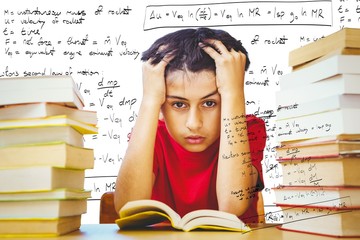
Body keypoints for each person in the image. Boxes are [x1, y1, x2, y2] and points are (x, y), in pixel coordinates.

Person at [114, 27, 266, 223]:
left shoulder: (248, 130)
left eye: (209, 103)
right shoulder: (152, 135)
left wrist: (233, 92)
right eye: (178, 104)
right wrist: (149, 100)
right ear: (161, 107)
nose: (194, 124)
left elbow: (232, 206)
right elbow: (128, 208)